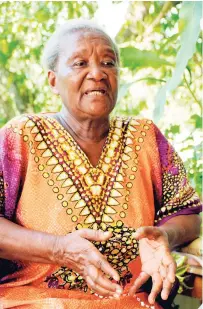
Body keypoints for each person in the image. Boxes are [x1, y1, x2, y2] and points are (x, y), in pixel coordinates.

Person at [0, 19, 201, 309]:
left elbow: (187, 214)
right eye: (80, 63)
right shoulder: (21, 136)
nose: (98, 73)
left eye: (108, 62)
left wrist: (164, 236)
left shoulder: (145, 136)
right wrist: (58, 249)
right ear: (53, 80)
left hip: (130, 302)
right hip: (33, 299)